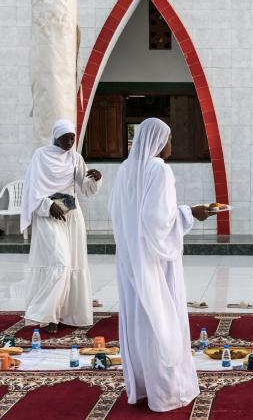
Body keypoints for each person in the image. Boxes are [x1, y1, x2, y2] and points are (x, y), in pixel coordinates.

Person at [109, 118, 215, 412]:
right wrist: (190, 213)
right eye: (169, 139)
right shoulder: (159, 170)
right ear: (157, 141)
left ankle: (142, 387)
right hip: (155, 260)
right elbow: (159, 221)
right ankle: (168, 392)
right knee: (161, 319)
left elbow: (117, 213)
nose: (172, 145)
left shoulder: (125, 169)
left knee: (140, 318)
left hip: (131, 258)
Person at [20, 119, 102, 334]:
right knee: (60, 263)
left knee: (72, 263)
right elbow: (32, 188)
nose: (69, 142)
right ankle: (44, 314)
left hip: (72, 215)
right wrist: (48, 206)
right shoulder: (41, 155)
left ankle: (64, 313)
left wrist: (95, 179)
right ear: (55, 137)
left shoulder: (75, 158)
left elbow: (85, 188)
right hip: (47, 214)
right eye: (65, 138)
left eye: (72, 138)